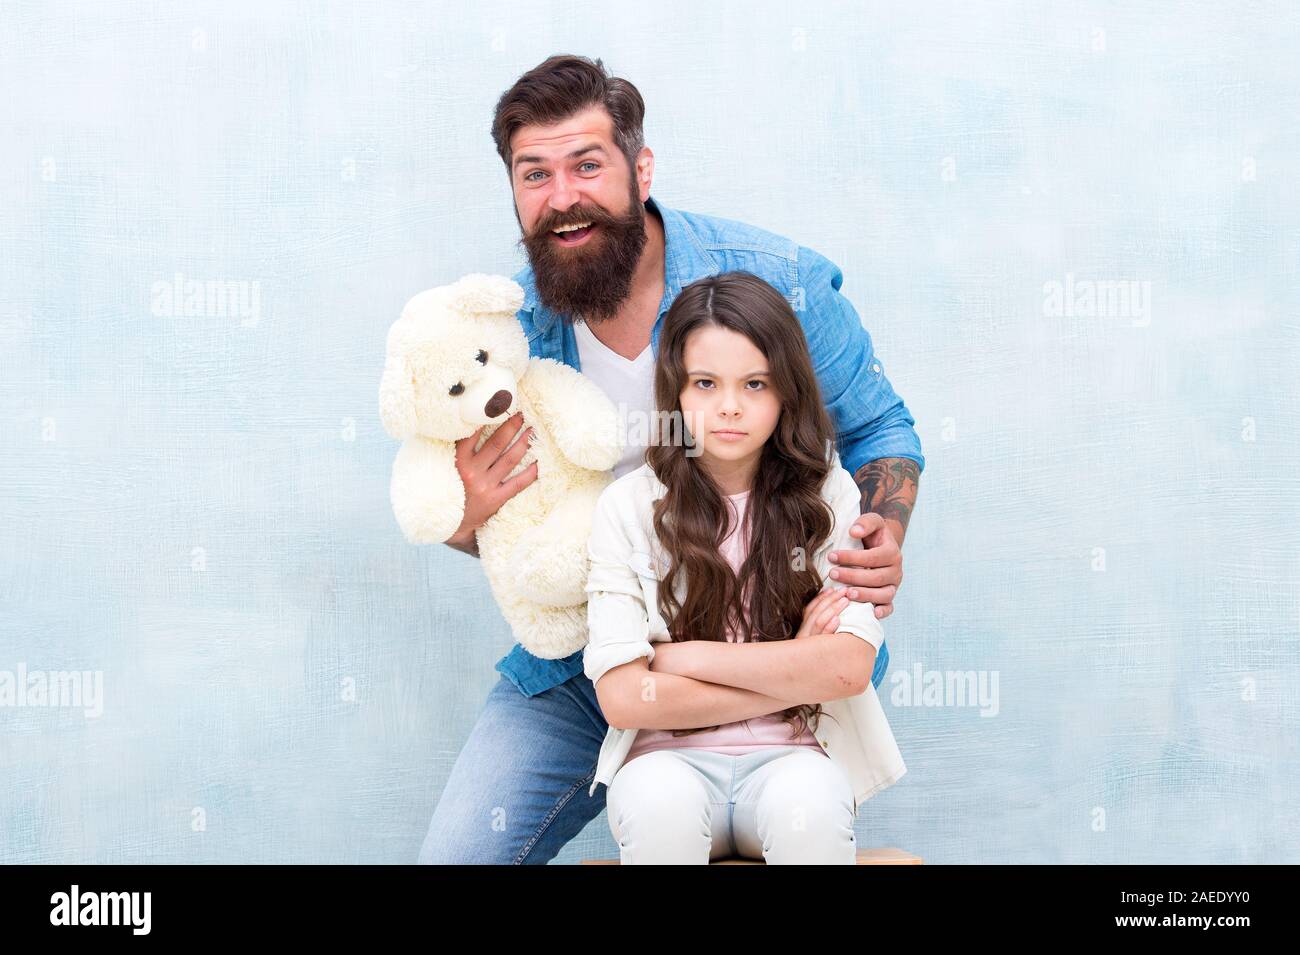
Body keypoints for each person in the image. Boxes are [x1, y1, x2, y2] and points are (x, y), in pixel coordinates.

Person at [417, 54, 923, 864]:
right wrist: (466, 518)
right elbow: (500, 530)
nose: (563, 196)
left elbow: (883, 432)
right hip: (591, 662)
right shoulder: (501, 344)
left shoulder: (774, 283)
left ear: (640, 168)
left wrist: (877, 537)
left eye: (588, 164)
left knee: (794, 816)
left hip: (774, 639)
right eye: (534, 173)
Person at [585, 270, 906, 863]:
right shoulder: (627, 506)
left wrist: (685, 658)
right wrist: (790, 677)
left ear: (786, 391)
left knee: (808, 809)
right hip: (664, 757)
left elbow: (846, 670)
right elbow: (626, 699)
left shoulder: (829, 495)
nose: (729, 407)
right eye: (705, 383)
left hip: (791, 757)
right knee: (661, 808)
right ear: (675, 391)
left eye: (755, 384)